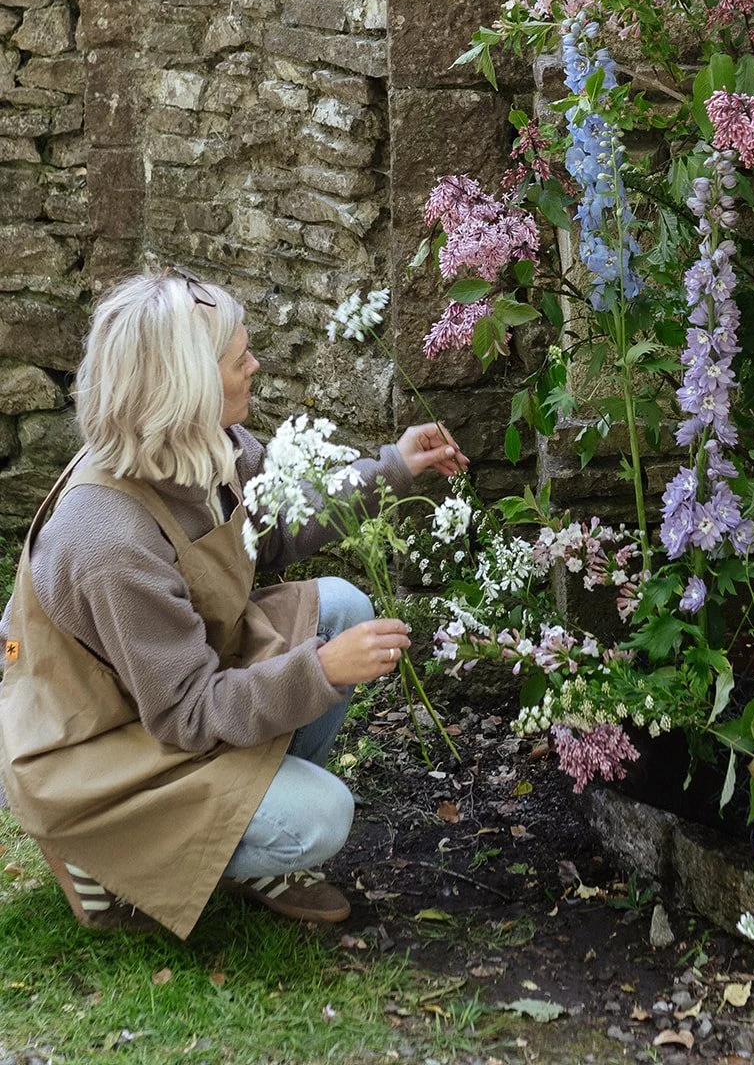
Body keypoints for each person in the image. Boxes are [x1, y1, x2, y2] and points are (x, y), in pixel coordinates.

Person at [0, 272, 467, 938]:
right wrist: (321, 670)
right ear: (185, 385)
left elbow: (269, 530)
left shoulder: (204, 447)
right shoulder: (108, 540)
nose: (255, 366)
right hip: (100, 751)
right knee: (321, 818)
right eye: (238, 358)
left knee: (340, 606)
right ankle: (99, 850)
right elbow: (187, 713)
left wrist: (393, 467)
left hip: (165, 695)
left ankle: (240, 828)